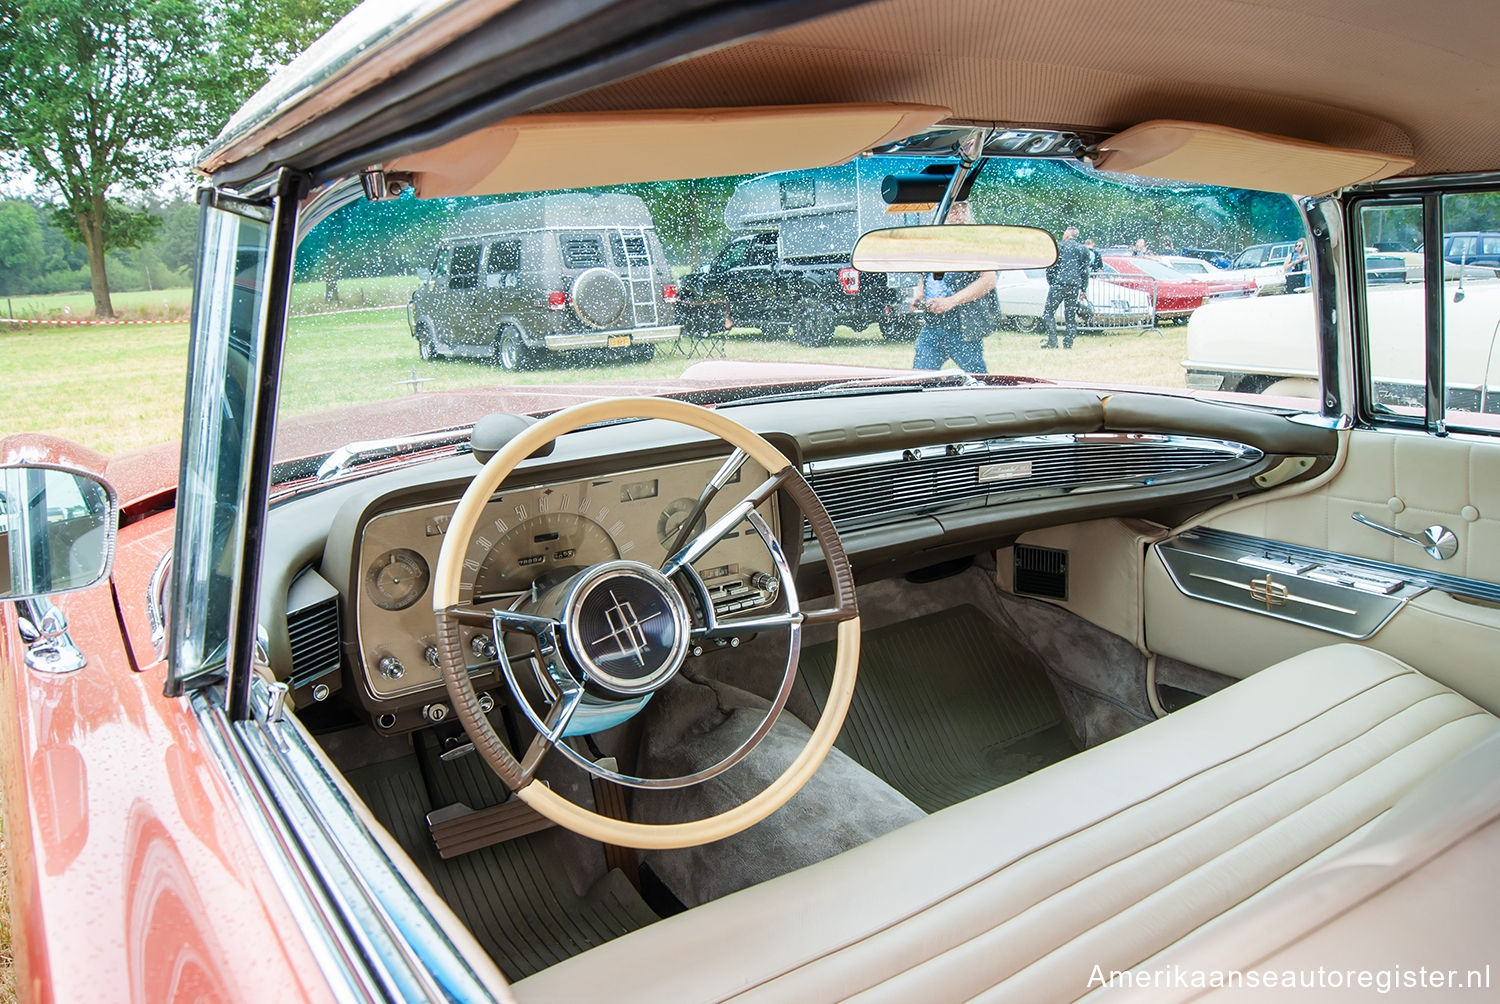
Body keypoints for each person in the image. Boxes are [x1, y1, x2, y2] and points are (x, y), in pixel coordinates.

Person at [911, 202, 998, 372]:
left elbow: (989, 280)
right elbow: (925, 272)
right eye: (954, 209)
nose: (959, 213)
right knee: (920, 377)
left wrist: (952, 301)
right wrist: (920, 291)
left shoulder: (976, 242)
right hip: (932, 326)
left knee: (976, 379)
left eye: (963, 208)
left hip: (962, 327)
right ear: (942, 213)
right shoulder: (933, 241)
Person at [1041, 225, 1092, 349]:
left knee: (1048, 313)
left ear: (1068, 235)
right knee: (1070, 315)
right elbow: (1085, 271)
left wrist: (1052, 282)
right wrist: (1083, 288)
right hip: (1074, 285)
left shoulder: (1059, 247)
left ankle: (1052, 340)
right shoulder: (1083, 249)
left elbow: (1051, 267)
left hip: (1059, 283)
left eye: (1064, 233)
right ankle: (1068, 342)